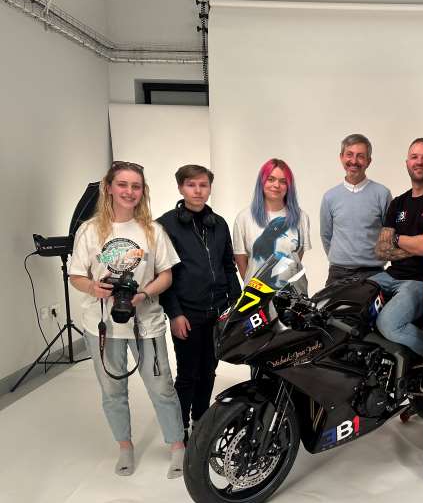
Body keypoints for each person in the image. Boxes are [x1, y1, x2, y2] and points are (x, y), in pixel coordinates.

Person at [69, 161, 185, 478]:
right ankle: (125, 447)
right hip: (102, 325)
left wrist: (144, 294)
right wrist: (94, 287)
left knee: (161, 387)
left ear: (142, 191)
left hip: (145, 322)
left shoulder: (152, 231)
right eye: (122, 184)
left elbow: (166, 276)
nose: (129, 191)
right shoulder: (90, 231)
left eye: (135, 186)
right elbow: (76, 275)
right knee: (112, 390)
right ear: (109, 187)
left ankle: (177, 446)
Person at [157, 164, 241, 443]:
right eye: (191, 185)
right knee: (188, 374)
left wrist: (235, 305)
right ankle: (179, 429)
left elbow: (229, 267)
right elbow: (163, 276)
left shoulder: (218, 224)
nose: (198, 190)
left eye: (203, 185)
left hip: (218, 313)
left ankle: (200, 421)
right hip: (187, 315)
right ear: (181, 188)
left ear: (209, 188)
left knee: (209, 371)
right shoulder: (165, 225)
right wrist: (175, 314)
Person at [372, 138, 423, 368]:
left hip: (421, 280)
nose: (419, 162)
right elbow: (382, 250)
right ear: (407, 162)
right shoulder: (398, 203)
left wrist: (399, 240)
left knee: (389, 324)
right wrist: (419, 245)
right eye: (414, 157)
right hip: (389, 276)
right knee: (350, 303)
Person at [320, 134, 392, 285]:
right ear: (341, 157)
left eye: (360, 156)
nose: (353, 161)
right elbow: (326, 235)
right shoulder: (330, 197)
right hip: (338, 273)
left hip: (372, 273)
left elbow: (389, 234)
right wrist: (341, 258)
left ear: (368, 161)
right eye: (349, 155)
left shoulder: (382, 194)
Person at [233, 158, 311, 286]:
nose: (276, 185)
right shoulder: (244, 218)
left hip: (293, 295)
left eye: (283, 181)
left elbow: (296, 258)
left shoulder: (301, 217)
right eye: (271, 179)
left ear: (289, 186)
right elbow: (243, 265)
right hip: (256, 296)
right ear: (261, 182)